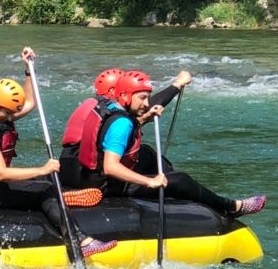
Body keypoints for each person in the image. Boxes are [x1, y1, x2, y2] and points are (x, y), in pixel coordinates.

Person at [0, 48, 117, 258]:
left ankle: (58, 200)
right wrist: (41, 167)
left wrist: (28, 69)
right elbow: (0, 173)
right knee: (44, 189)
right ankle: (81, 240)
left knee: (46, 178)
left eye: (13, 112)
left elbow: (29, 103)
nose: (12, 116)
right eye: (8, 111)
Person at [60, 69, 266, 217]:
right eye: (142, 98)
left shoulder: (106, 107)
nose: (147, 103)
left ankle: (177, 193)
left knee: (148, 154)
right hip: (105, 184)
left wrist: (152, 110)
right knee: (180, 180)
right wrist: (149, 181)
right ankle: (230, 206)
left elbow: (130, 121)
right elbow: (111, 166)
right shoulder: (120, 122)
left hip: (89, 174)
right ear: (122, 94)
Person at [60, 68, 192, 184]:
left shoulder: (98, 107)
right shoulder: (114, 115)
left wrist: (144, 118)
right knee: (148, 156)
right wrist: (149, 182)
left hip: (71, 166)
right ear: (114, 90)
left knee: (145, 151)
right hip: (90, 175)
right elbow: (109, 155)